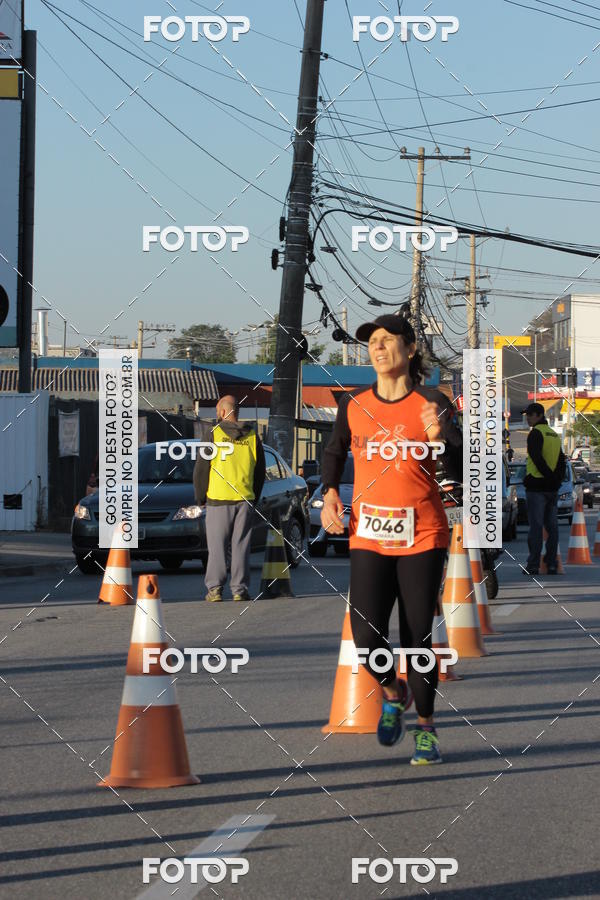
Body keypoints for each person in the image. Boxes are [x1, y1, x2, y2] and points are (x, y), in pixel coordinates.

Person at [320, 315, 462, 765]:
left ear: (411, 348)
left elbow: (461, 469)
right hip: (368, 534)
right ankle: (392, 691)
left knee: (417, 639)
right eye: (372, 343)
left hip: (422, 534)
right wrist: (329, 494)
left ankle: (426, 728)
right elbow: (334, 450)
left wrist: (440, 438)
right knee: (365, 636)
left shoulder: (432, 402)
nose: (378, 348)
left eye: (387, 340)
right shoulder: (354, 404)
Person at [193, 395, 265, 602]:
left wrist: (200, 497)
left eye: (218, 410)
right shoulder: (253, 436)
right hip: (245, 499)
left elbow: (202, 468)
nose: (217, 414)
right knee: (241, 546)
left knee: (217, 548)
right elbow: (260, 472)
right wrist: (254, 497)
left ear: (224, 412)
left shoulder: (213, 434)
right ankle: (239, 590)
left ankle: (215, 589)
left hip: (218, 499)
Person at [522, 402, 565, 577]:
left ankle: (533, 565)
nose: (527, 418)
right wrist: (556, 481)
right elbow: (561, 461)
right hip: (551, 489)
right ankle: (551, 564)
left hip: (537, 487)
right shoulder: (553, 434)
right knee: (552, 527)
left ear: (539, 415)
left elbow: (537, 459)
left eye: (530, 415)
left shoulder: (535, 433)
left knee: (536, 527)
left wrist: (548, 477)